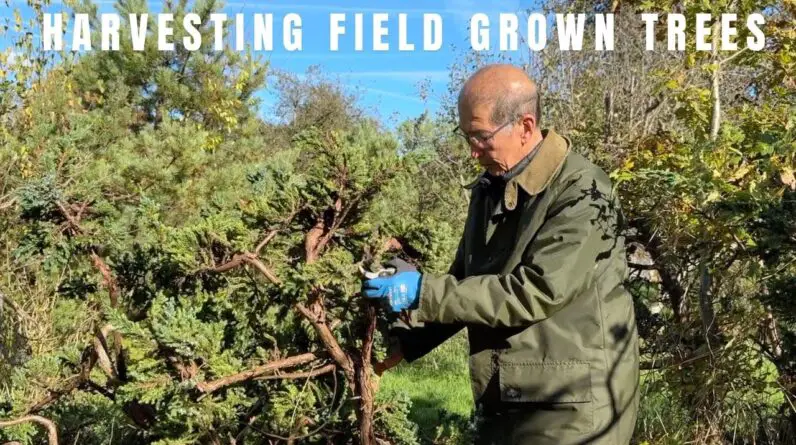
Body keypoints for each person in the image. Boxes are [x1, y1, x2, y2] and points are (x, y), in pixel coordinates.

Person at [361, 64, 640, 445]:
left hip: (572, 406)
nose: (473, 153)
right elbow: (466, 284)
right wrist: (404, 345)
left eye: (480, 137)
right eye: (466, 137)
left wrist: (424, 292)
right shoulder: (490, 187)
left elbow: (535, 290)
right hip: (507, 397)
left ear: (525, 126)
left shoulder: (583, 191)